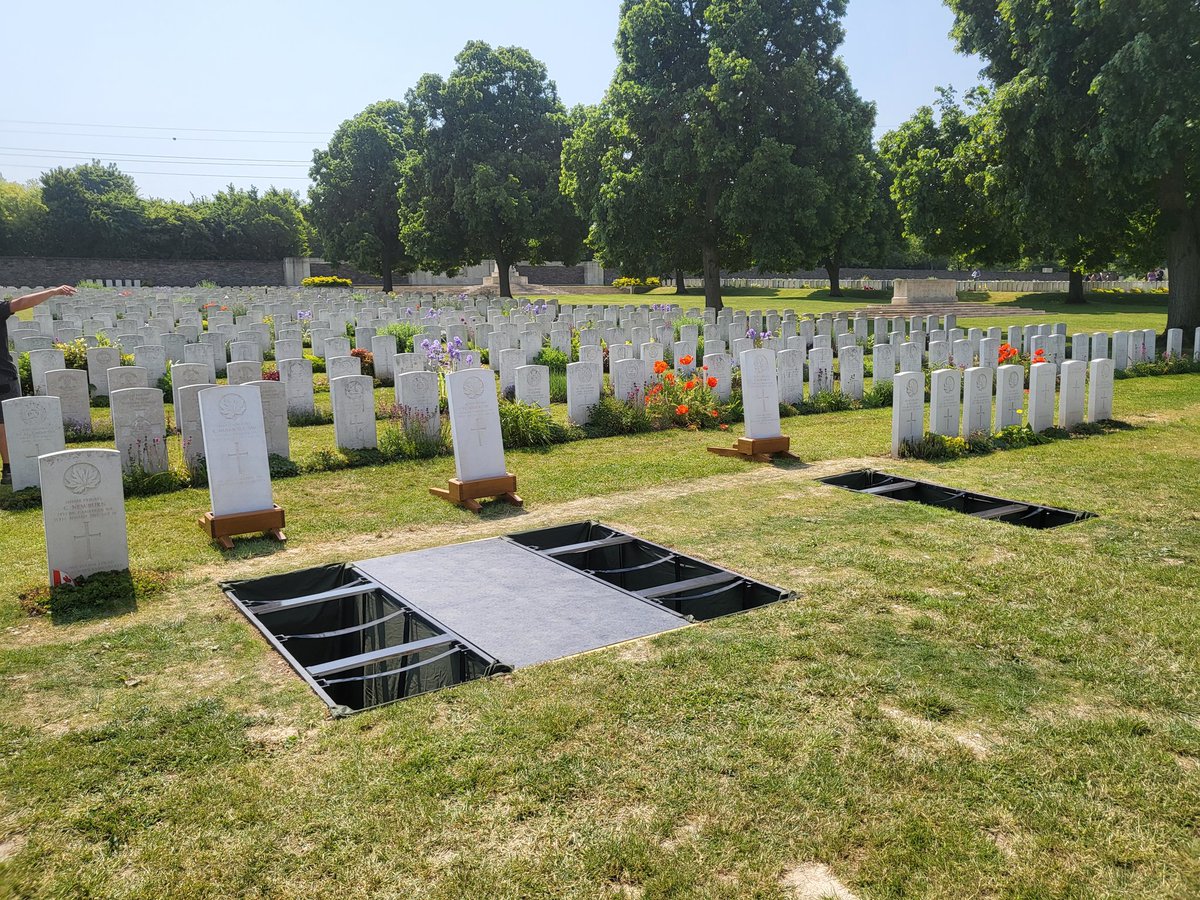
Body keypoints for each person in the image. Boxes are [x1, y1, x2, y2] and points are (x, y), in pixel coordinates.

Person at [1, 285, 77, 485]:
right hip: (3, 376)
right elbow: (21, 303)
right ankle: (9, 468)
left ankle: (9, 468)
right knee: (5, 421)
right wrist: (53, 291)